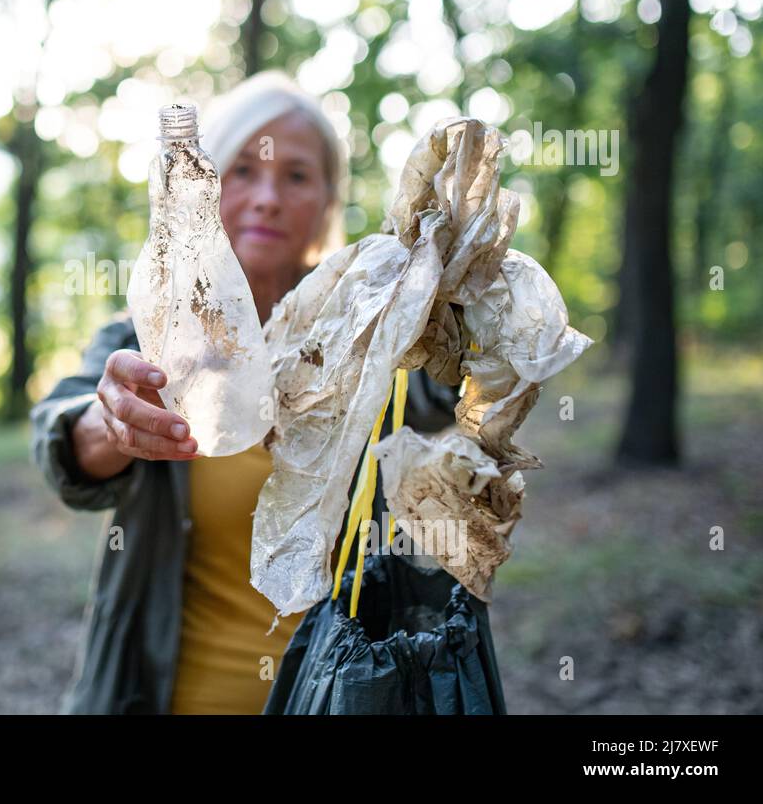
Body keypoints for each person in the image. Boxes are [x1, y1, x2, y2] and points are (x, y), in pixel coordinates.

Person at [29, 71, 458, 714]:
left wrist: (451, 284)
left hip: (339, 699)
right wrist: (111, 421)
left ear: (326, 200)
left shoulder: (373, 336)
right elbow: (65, 437)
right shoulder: (148, 335)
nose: (267, 198)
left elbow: (445, 390)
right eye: (242, 171)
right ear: (203, 186)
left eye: (296, 175)